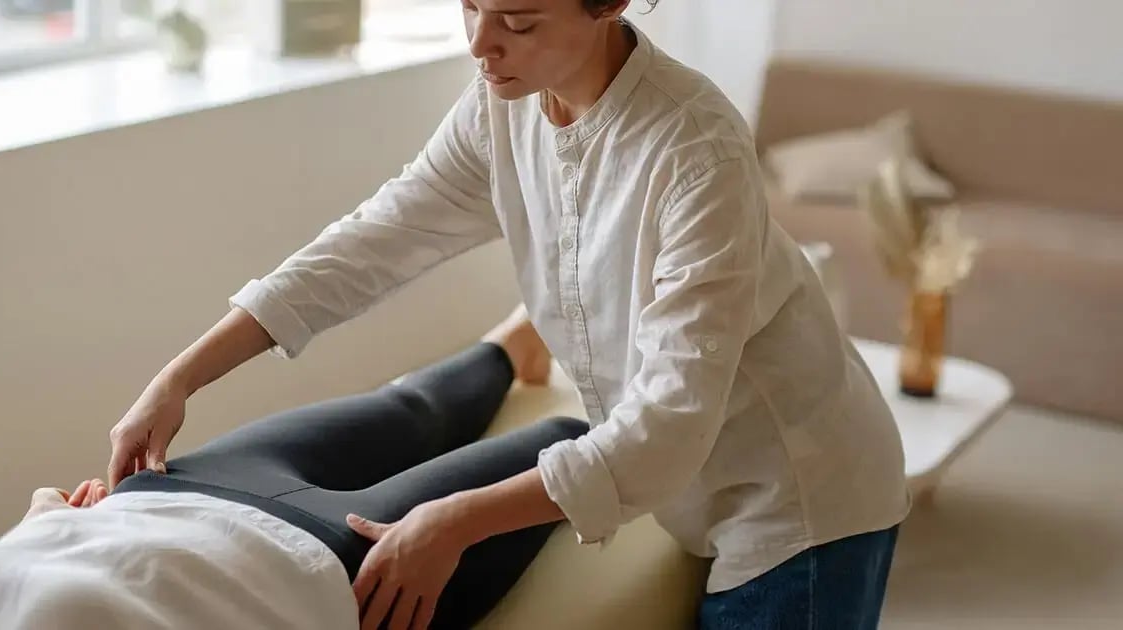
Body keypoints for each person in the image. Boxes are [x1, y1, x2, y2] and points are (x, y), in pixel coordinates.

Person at [109, 0, 911, 628]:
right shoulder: (504, 106)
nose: (479, 43)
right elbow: (369, 245)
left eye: (519, 22)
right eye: (470, 7)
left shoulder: (696, 152)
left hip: (798, 492)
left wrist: (454, 522)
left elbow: (668, 426)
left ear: (609, 5)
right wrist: (180, 377)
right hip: (686, 482)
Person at [0, 315, 584, 629]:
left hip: (171, 492)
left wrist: (43, 523)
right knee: (565, 440)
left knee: (408, 407)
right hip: (333, 570)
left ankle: (511, 343)